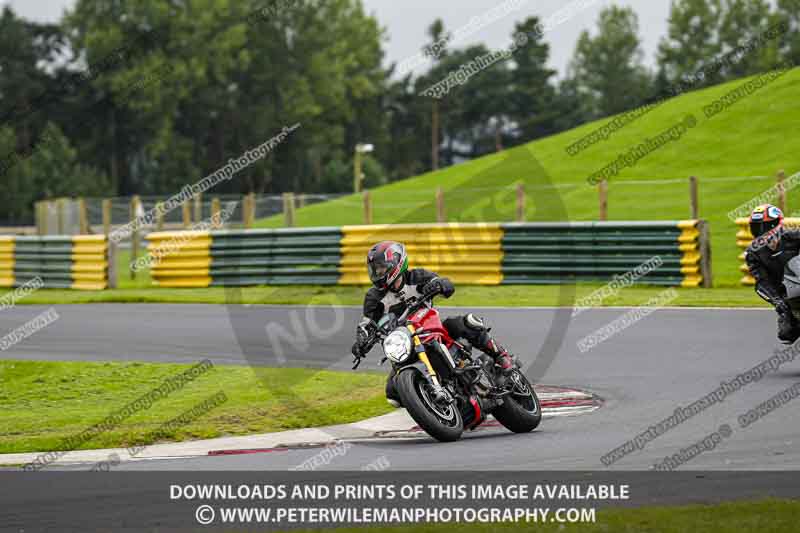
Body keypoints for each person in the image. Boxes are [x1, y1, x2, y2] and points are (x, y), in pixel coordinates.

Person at [350, 240, 516, 406]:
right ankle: (432, 406)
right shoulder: (373, 298)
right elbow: (367, 323)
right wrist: (361, 341)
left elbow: (445, 285)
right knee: (393, 394)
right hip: (403, 343)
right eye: (374, 269)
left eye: (381, 267)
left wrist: (440, 284)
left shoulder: (417, 277)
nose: (378, 272)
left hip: (430, 327)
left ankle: (501, 356)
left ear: (396, 262)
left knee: (466, 323)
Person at [744, 204, 800, 344]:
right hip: (786, 294)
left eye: (766, 226)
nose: (761, 232)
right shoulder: (753, 253)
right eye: (757, 228)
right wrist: (777, 301)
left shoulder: (794, 236)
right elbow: (761, 282)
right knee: (786, 333)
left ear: (777, 225)